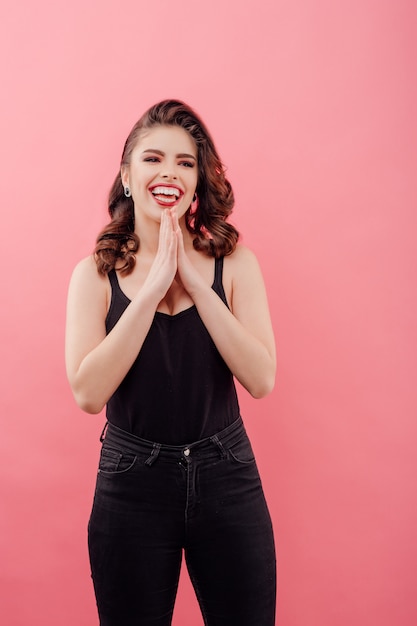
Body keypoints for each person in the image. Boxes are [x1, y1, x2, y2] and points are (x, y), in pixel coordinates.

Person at [65, 99, 276, 626]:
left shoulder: (235, 264)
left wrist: (198, 287)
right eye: (153, 158)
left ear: (198, 179)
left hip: (227, 475)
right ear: (128, 177)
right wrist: (154, 285)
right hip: (130, 482)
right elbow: (88, 394)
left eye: (185, 162)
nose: (170, 173)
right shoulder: (93, 276)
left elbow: (261, 378)